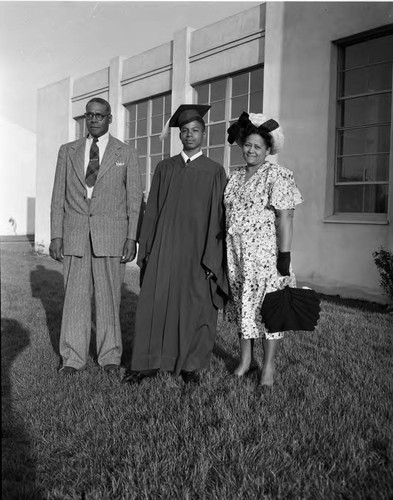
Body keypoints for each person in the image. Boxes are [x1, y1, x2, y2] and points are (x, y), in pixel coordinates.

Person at [122, 104, 228, 385]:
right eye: (185, 131)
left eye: (195, 131)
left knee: (195, 306)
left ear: (204, 134)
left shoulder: (215, 171)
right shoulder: (164, 167)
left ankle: (190, 364)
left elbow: (218, 220)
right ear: (179, 135)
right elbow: (153, 210)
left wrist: (212, 258)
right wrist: (147, 248)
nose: (190, 135)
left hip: (197, 253)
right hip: (164, 249)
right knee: (154, 304)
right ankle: (146, 363)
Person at [50, 97, 143, 375]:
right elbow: (58, 197)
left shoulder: (125, 153)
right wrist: (56, 235)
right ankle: (72, 358)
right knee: (75, 299)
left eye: (99, 116)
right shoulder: (68, 151)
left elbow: (134, 199)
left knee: (109, 298)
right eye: (89, 115)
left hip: (111, 237)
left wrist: (131, 238)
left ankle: (110, 356)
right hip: (75, 234)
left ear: (110, 118)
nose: (93, 120)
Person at [224, 112, 303, 388]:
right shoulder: (234, 178)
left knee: (270, 310)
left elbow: (286, 217)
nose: (252, 150)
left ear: (268, 150)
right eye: (248, 145)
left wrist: (285, 255)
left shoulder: (278, 175)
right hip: (237, 257)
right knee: (244, 307)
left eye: (258, 146)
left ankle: (267, 367)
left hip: (267, 257)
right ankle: (246, 361)